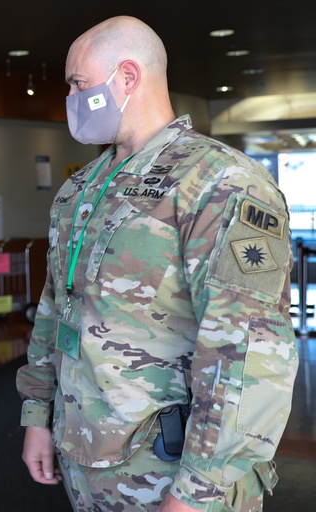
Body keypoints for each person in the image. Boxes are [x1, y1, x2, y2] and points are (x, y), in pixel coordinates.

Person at [17, 16, 298, 512]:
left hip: (172, 474)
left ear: (126, 78)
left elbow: (248, 351)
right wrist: (37, 415)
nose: (71, 98)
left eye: (78, 84)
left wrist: (198, 492)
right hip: (86, 458)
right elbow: (54, 308)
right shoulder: (79, 190)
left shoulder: (222, 183)